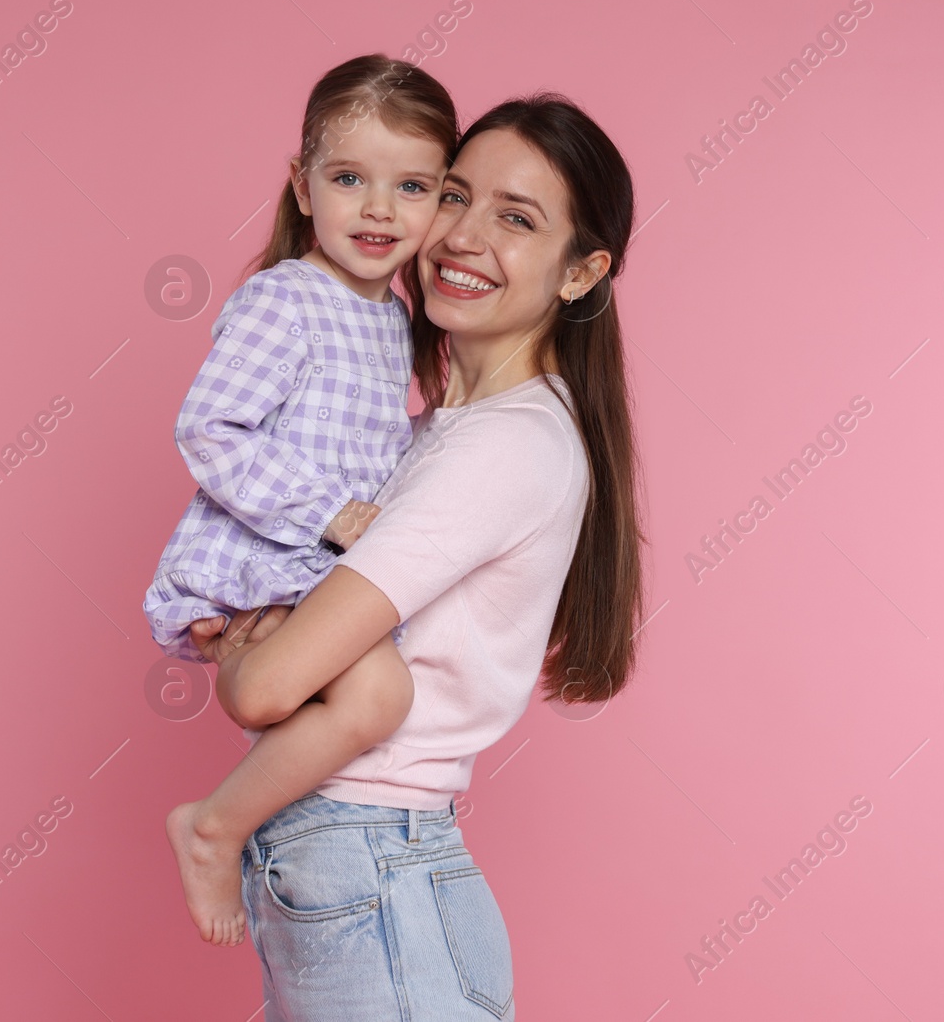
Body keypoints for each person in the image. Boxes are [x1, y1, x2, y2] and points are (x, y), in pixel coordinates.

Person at [192, 92, 647, 1020]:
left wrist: (242, 653)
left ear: (580, 272)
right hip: (351, 865)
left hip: (373, 864)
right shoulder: (434, 433)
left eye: (516, 219)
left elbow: (266, 691)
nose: (461, 237)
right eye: (453, 195)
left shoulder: (505, 446)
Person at [147, 54, 460, 946]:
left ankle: (239, 824)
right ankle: (212, 825)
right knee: (377, 696)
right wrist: (326, 513)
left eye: (413, 187)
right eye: (349, 178)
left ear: (443, 202)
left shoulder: (393, 316)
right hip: (276, 548)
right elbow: (211, 429)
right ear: (303, 183)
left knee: (371, 701)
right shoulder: (286, 297)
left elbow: (369, 441)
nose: (377, 209)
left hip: (328, 563)